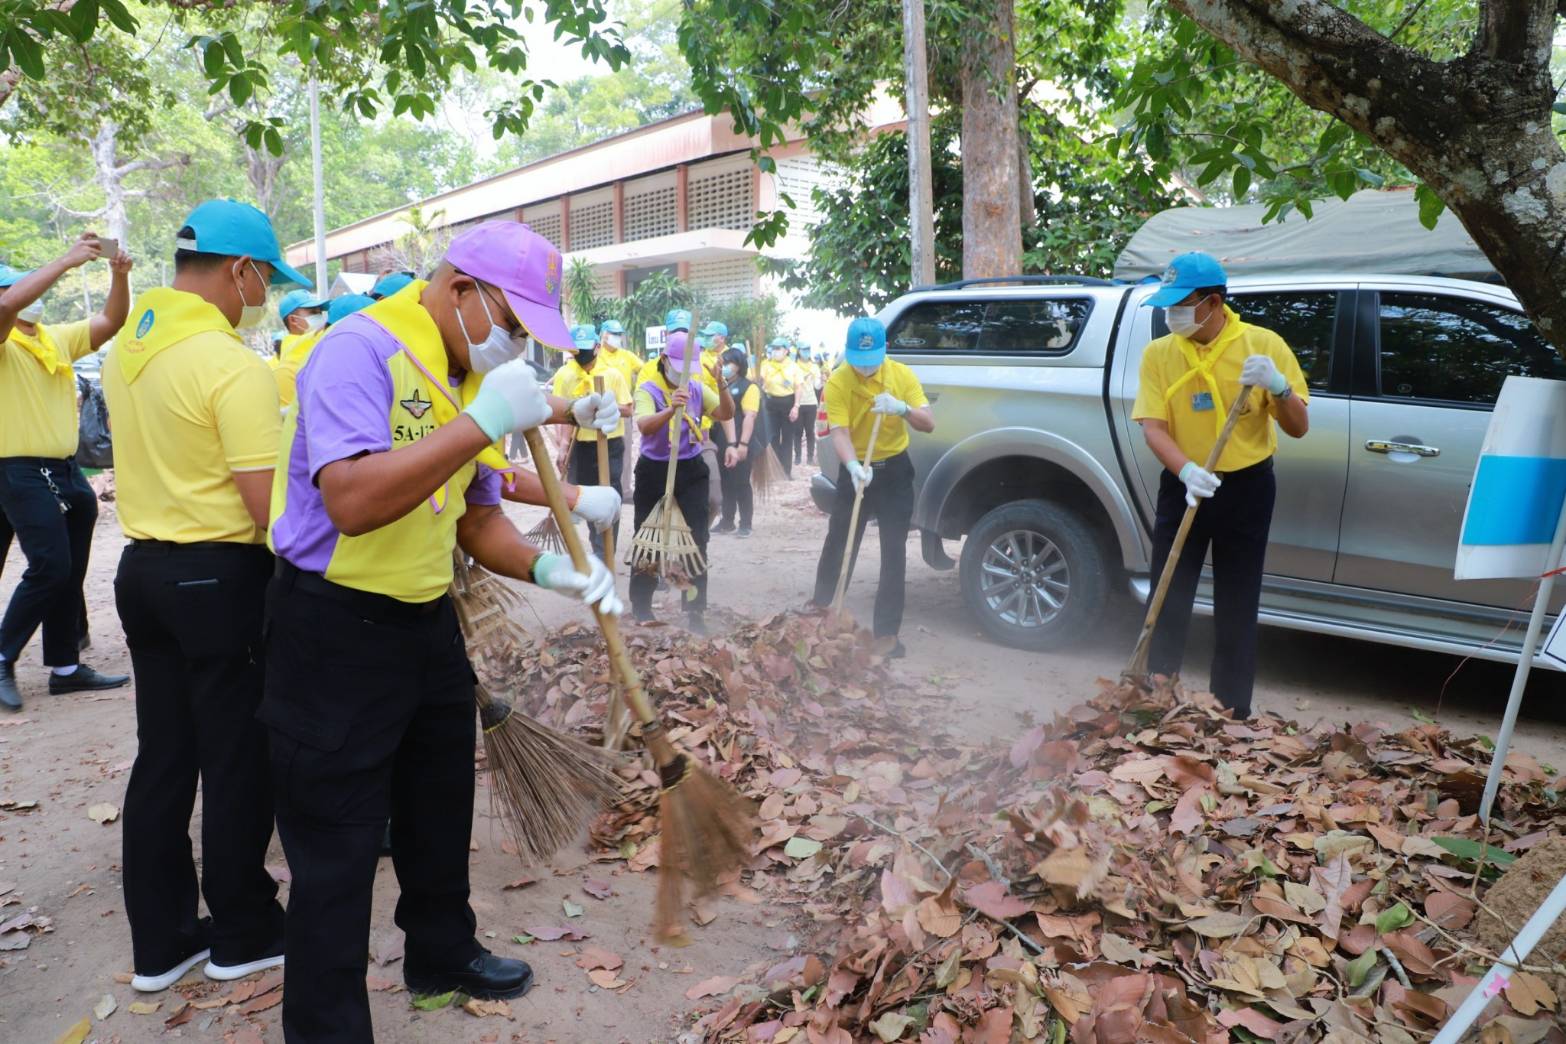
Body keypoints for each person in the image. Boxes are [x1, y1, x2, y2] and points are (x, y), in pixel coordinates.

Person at [262, 220, 621, 1042]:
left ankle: (440, 952)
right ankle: (328, 1028)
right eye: (512, 322)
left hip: (423, 623)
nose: (516, 343)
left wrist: (547, 569)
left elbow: (477, 521)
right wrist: (480, 420)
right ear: (460, 290)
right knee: (338, 845)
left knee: (437, 804)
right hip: (332, 625)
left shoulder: (465, 374)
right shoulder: (358, 352)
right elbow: (351, 501)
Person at [102, 199, 309, 993]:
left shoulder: (130, 348)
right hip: (219, 576)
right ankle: (244, 931)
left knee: (164, 756)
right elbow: (269, 513)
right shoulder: (230, 366)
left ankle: (162, 942)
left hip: (143, 573)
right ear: (237, 269)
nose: (265, 294)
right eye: (264, 278)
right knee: (234, 758)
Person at [1131, 252, 1309, 719]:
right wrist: (1186, 471)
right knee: (1169, 589)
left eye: (1180, 304)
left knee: (1237, 596)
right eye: (1167, 306)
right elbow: (1154, 427)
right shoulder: (1160, 354)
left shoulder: (1263, 345)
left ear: (1212, 302)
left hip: (1247, 487)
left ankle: (1231, 709)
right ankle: (1157, 692)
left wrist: (1280, 387)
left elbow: (1298, 427)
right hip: (1184, 485)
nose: (1171, 315)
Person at [0, 236, 134, 711]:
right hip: (17, 468)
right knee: (49, 566)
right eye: (15, 290)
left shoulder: (54, 337)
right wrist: (66, 259)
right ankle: (3, 653)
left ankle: (65, 667)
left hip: (64, 469)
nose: (26, 297)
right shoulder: (3, 338)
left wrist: (119, 276)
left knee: (69, 569)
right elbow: (8, 305)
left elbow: (110, 321)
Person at [810, 318, 934, 655]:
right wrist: (851, 465)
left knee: (893, 552)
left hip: (894, 471)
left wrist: (903, 408)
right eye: (858, 359)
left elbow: (928, 423)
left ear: (884, 351)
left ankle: (886, 635)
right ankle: (821, 617)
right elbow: (839, 431)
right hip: (857, 471)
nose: (864, 366)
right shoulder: (838, 381)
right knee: (839, 542)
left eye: (871, 359)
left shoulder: (901, 376)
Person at [629, 332, 732, 632]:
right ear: (663, 361)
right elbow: (645, 426)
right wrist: (670, 409)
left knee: (697, 540)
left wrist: (721, 382)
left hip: (690, 469)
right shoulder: (648, 389)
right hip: (653, 471)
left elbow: (726, 412)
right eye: (677, 367)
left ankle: (695, 610)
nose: (683, 375)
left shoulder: (697, 389)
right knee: (648, 541)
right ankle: (642, 605)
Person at [551, 322, 632, 555]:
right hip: (580, 447)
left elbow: (628, 408)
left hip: (610, 444)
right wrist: (563, 447)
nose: (581, 354)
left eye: (585, 349)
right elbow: (562, 415)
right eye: (576, 350)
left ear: (597, 347)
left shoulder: (612, 375)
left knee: (611, 496)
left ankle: (606, 549)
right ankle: (598, 545)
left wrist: (605, 407)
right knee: (586, 498)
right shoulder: (564, 375)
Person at [712, 346, 762, 538]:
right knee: (725, 482)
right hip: (722, 443)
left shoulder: (749, 387)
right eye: (723, 362)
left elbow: (750, 417)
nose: (724, 366)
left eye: (729, 363)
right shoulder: (720, 384)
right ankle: (727, 521)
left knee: (741, 483)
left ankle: (746, 523)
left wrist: (743, 445)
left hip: (741, 442)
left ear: (739, 365)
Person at [696, 320, 728, 517]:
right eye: (705, 335)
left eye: (711, 335)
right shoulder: (700, 357)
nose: (707, 339)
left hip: (726, 418)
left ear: (722, 338)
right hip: (705, 423)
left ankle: (727, 508)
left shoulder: (730, 357)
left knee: (726, 465)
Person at [759, 338, 801, 479]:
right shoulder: (766, 365)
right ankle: (774, 471)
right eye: (774, 348)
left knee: (788, 438)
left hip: (788, 403)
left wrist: (796, 407)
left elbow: (798, 387)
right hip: (771, 404)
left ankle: (786, 471)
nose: (775, 351)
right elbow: (760, 381)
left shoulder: (793, 367)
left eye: (778, 348)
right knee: (773, 437)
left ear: (786, 350)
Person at [792, 342, 820, 467]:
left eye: (808, 349)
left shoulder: (814, 367)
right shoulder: (793, 366)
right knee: (797, 431)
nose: (806, 352)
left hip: (811, 402)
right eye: (804, 349)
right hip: (797, 403)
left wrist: (822, 380)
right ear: (798, 351)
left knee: (810, 431)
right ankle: (797, 457)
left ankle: (809, 457)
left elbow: (817, 386)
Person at [276, 289, 325, 359]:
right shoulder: (294, 346)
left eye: (320, 312)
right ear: (293, 320)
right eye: (313, 312)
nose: (320, 316)